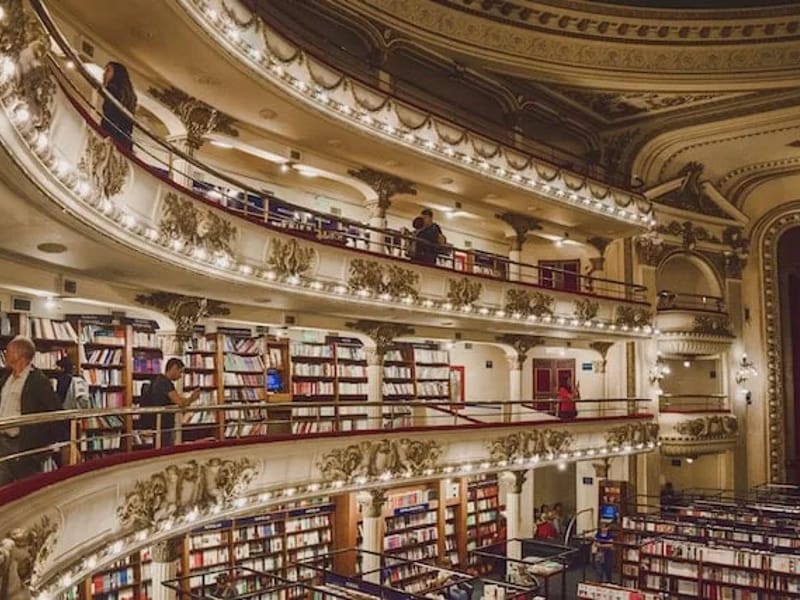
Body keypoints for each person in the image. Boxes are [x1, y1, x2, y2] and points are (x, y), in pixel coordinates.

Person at [0, 336, 66, 485]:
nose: (5, 353)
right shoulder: (6, 378)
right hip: (3, 442)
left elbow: (55, 411)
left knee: (28, 488)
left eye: (8, 351)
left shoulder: (38, 380)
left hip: (24, 445)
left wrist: (44, 447)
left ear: (19, 354)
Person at [142, 358, 199, 448]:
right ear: (174, 368)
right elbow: (180, 402)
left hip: (159, 423)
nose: (180, 376)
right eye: (180, 372)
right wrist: (192, 398)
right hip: (164, 425)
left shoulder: (157, 380)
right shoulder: (164, 383)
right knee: (165, 448)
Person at [101, 61, 137, 151]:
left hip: (111, 133)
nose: (104, 74)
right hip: (125, 137)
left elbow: (109, 114)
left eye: (108, 71)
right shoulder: (131, 95)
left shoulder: (112, 89)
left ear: (117, 74)